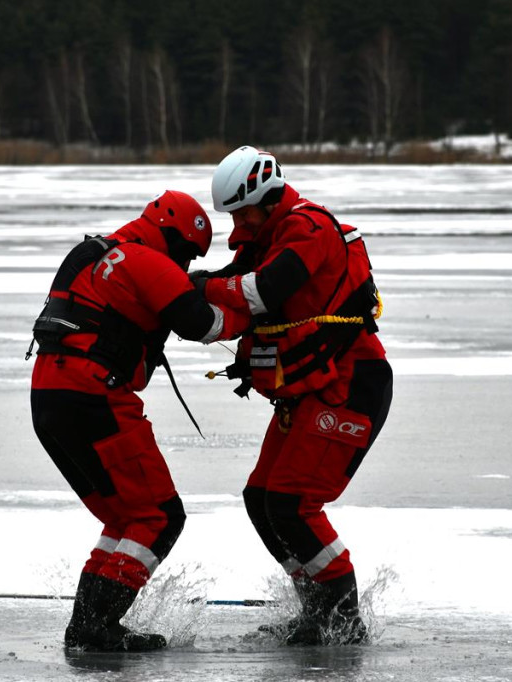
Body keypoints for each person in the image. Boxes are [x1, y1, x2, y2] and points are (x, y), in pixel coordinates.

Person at [28, 190, 244, 652]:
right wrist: (253, 308)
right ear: (170, 232)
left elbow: (134, 361)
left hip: (48, 399)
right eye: (185, 252)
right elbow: (204, 324)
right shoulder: (147, 261)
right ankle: (95, 627)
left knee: (123, 517)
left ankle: (86, 626)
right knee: (160, 516)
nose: (184, 265)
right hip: (91, 396)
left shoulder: (94, 253)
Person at [199, 146, 393, 645]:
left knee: (293, 504)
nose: (237, 223)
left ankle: (343, 620)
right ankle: (316, 607)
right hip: (312, 389)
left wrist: (199, 290)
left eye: (242, 213)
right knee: (261, 499)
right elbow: (227, 284)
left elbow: (262, 290)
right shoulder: (268, 234)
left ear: (266, 199)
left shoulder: (307, 229)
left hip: (351, 384)